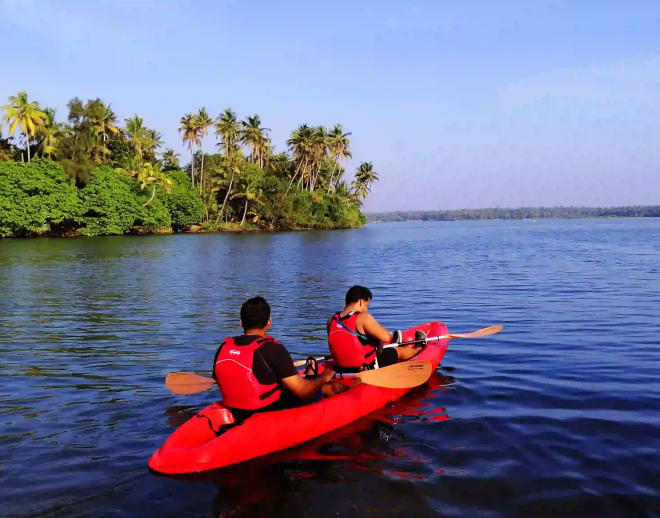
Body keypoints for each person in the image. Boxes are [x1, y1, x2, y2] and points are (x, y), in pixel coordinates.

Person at [213, 296, 337, 422]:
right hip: (265, 412)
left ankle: (310, 375)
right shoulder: (273, 349)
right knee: (325, 388)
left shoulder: (224, 347)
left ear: (241, 322)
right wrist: (323, 378)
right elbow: (302, 391)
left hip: (235, 411)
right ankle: (312, 376)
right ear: (269, 322)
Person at [327, 285, 422, 372]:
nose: (366, 309)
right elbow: (387, 338)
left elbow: (342, 341)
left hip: (340, 368)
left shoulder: (331, 320)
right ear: (361, 302)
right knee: (396, 350)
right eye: (367, 305)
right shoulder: (363, 317)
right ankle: (418, 349)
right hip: (365, 368)